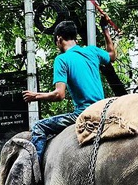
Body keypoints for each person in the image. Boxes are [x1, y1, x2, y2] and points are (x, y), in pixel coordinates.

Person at [23, 18, 117, 159]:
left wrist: (35, 96)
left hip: (83, 113)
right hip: (103, 110)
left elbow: (59, 95)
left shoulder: (62, 59)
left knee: (39, 127)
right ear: (75, 38)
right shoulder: (92, 51)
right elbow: (112, 55)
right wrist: (105, 29)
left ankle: (34, 173)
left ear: (59, 39)